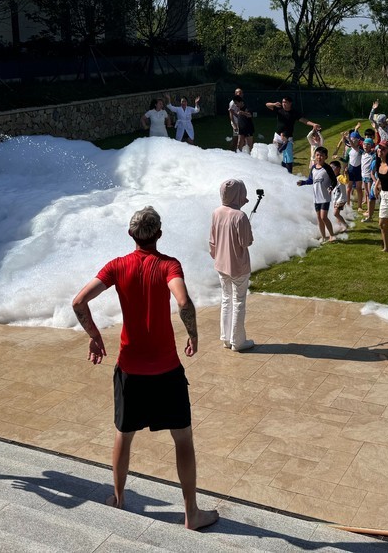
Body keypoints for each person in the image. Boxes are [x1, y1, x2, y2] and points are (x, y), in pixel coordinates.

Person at [71, 207, 219, 530]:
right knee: (183, 440)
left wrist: (95, 336)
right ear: (159, 235)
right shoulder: (168, 265)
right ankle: (191, 513)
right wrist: (193, 334)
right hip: (166, 371)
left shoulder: (117, 266)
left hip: (130, 370)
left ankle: (120, 499)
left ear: (131, 235)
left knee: (124, 436)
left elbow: (79, 302)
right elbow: (183, 302)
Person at [209, 180, 254, 352]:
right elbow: (246, 242)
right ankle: (238, 341)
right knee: (239, 301)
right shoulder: (240, 216)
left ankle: (226, 338)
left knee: (226, 299)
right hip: (238, 266)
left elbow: (212, 240)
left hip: (220, 264)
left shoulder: (216, 212)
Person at [265, 97, 320, 173]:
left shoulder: (294, 112)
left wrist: (313, 124)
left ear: (290, 103)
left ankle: (288, 173)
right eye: (283, 102)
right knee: (276, 155)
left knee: (288, 157)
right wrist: (274, 104)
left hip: (288, 138)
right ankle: (277, 172)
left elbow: (303, 120)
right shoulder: (279, 109)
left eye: (286, 102)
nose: (284, 103)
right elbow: (267, 105)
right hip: (277, 136)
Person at [297, 146, 337, 243]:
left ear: (326, 157)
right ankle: (323, 237)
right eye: (317, 155)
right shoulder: (313, 168)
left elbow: (334, 180)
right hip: (316, 197)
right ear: (315, 156)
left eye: (321, 156)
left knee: (324, 217)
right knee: (319, 218)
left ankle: (332, 235)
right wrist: (303, 183)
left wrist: (331, 187)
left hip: (325, 197)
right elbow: (311, 180)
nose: (319, 157)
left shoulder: (327, 168)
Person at [330, 160, 349, 232]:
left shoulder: (340, 177)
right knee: (337, 213)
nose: (331, 169)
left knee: (335, 213)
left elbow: (346, 181)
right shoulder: (333, 177)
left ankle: (345, 225)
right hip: (336, 199)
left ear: (338, 168)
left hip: (341, 199)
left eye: (333, 167)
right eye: (330, 167)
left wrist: (346, 174)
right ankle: (340, 226)